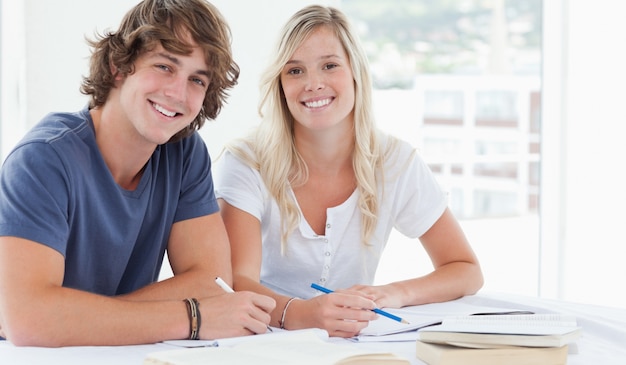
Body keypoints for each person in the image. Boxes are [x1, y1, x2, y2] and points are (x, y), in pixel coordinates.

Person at [0, 0, 275, 347]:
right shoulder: (42, 160)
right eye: (164, 66)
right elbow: (29, 322)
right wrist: (194, 317)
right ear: (118, 66)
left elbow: (212, 281)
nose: (178, 93)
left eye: (196, 80)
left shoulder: (184, 152)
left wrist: (72, 319)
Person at [214, 5, 484, 338]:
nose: (313, 84)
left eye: (329, 66)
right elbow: (238, 282)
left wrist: (394, 293)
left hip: (349, 345)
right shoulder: (245, 161)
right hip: (260, 340)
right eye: (295, 71)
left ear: (355, 71)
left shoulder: (395, 161)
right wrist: (303, 314)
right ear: (280, 85)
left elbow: (466, 270)